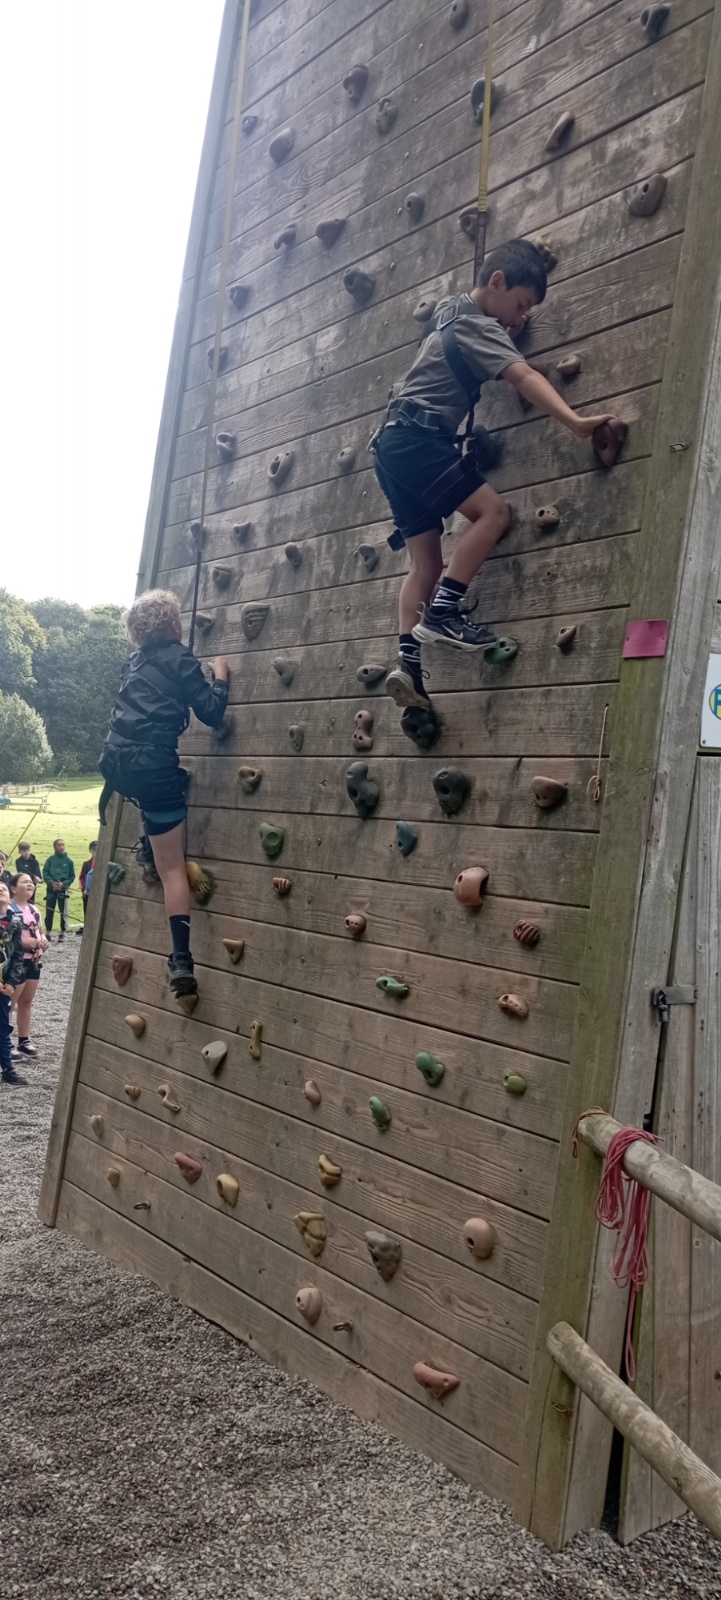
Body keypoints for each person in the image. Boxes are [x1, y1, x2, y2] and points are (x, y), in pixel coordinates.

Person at [372, 238, 616, 710]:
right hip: (420, 440)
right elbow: (522, 377)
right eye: (521, 304)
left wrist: (508, 326)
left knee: (425, 565)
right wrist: (575, 422)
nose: (521, 316)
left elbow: (476, 333)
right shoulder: (479, 328)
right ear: (498, 281)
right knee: (494, 514)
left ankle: (410, 666)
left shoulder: (450, 312)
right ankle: (444, 611)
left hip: (389, 446)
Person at [98, 589, 229, 1004]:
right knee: (174, 869)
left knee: (162, 798)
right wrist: (221, 677)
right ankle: (182, 963)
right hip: (152, 770)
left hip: (116, 765)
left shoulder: (133, 663)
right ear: (172, 623)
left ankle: (147, 850)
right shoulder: (181, 659)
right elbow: (211, 712)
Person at [9, 872, 49, 1057]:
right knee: (9, 1003)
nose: (30, 884)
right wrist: (22, 942)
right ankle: (4, 1041)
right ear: (13, 888)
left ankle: (24, 1040)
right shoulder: (8, 909)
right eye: (25, 882)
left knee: (26, 1001)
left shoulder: (34, 910)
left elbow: (40, 931)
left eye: (31, 882)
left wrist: (43, 941)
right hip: (16, 962)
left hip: (34, 961)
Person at [0, 880, 27, 1087]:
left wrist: (11, 982)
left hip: (4, 984)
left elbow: (17, 954)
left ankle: (8, 1070)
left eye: (3, 888)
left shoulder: (15, 921)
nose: (0, 889)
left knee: (2, 1026)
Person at [42, 838, 75, 942]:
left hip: (62, 889)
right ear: (55, 847)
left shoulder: (69, 861)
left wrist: (64, 884)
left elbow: (72, 876)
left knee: (63, 911)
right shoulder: (50, 860)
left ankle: (63, 933)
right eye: (59, 845)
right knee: (49, 910)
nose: (61, 847)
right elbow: (45, 872)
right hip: (51, 889)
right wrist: (51, 882)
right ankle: (48, 933)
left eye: (62, 845)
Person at [79, 842, 97, 921]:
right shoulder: (86, 864)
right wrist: (84, 889)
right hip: (87, 894)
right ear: (90, 851)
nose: (97, 852)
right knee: (87, 913)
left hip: (98, 893)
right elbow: (81, 878)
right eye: (94, 850)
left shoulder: (104, 863)